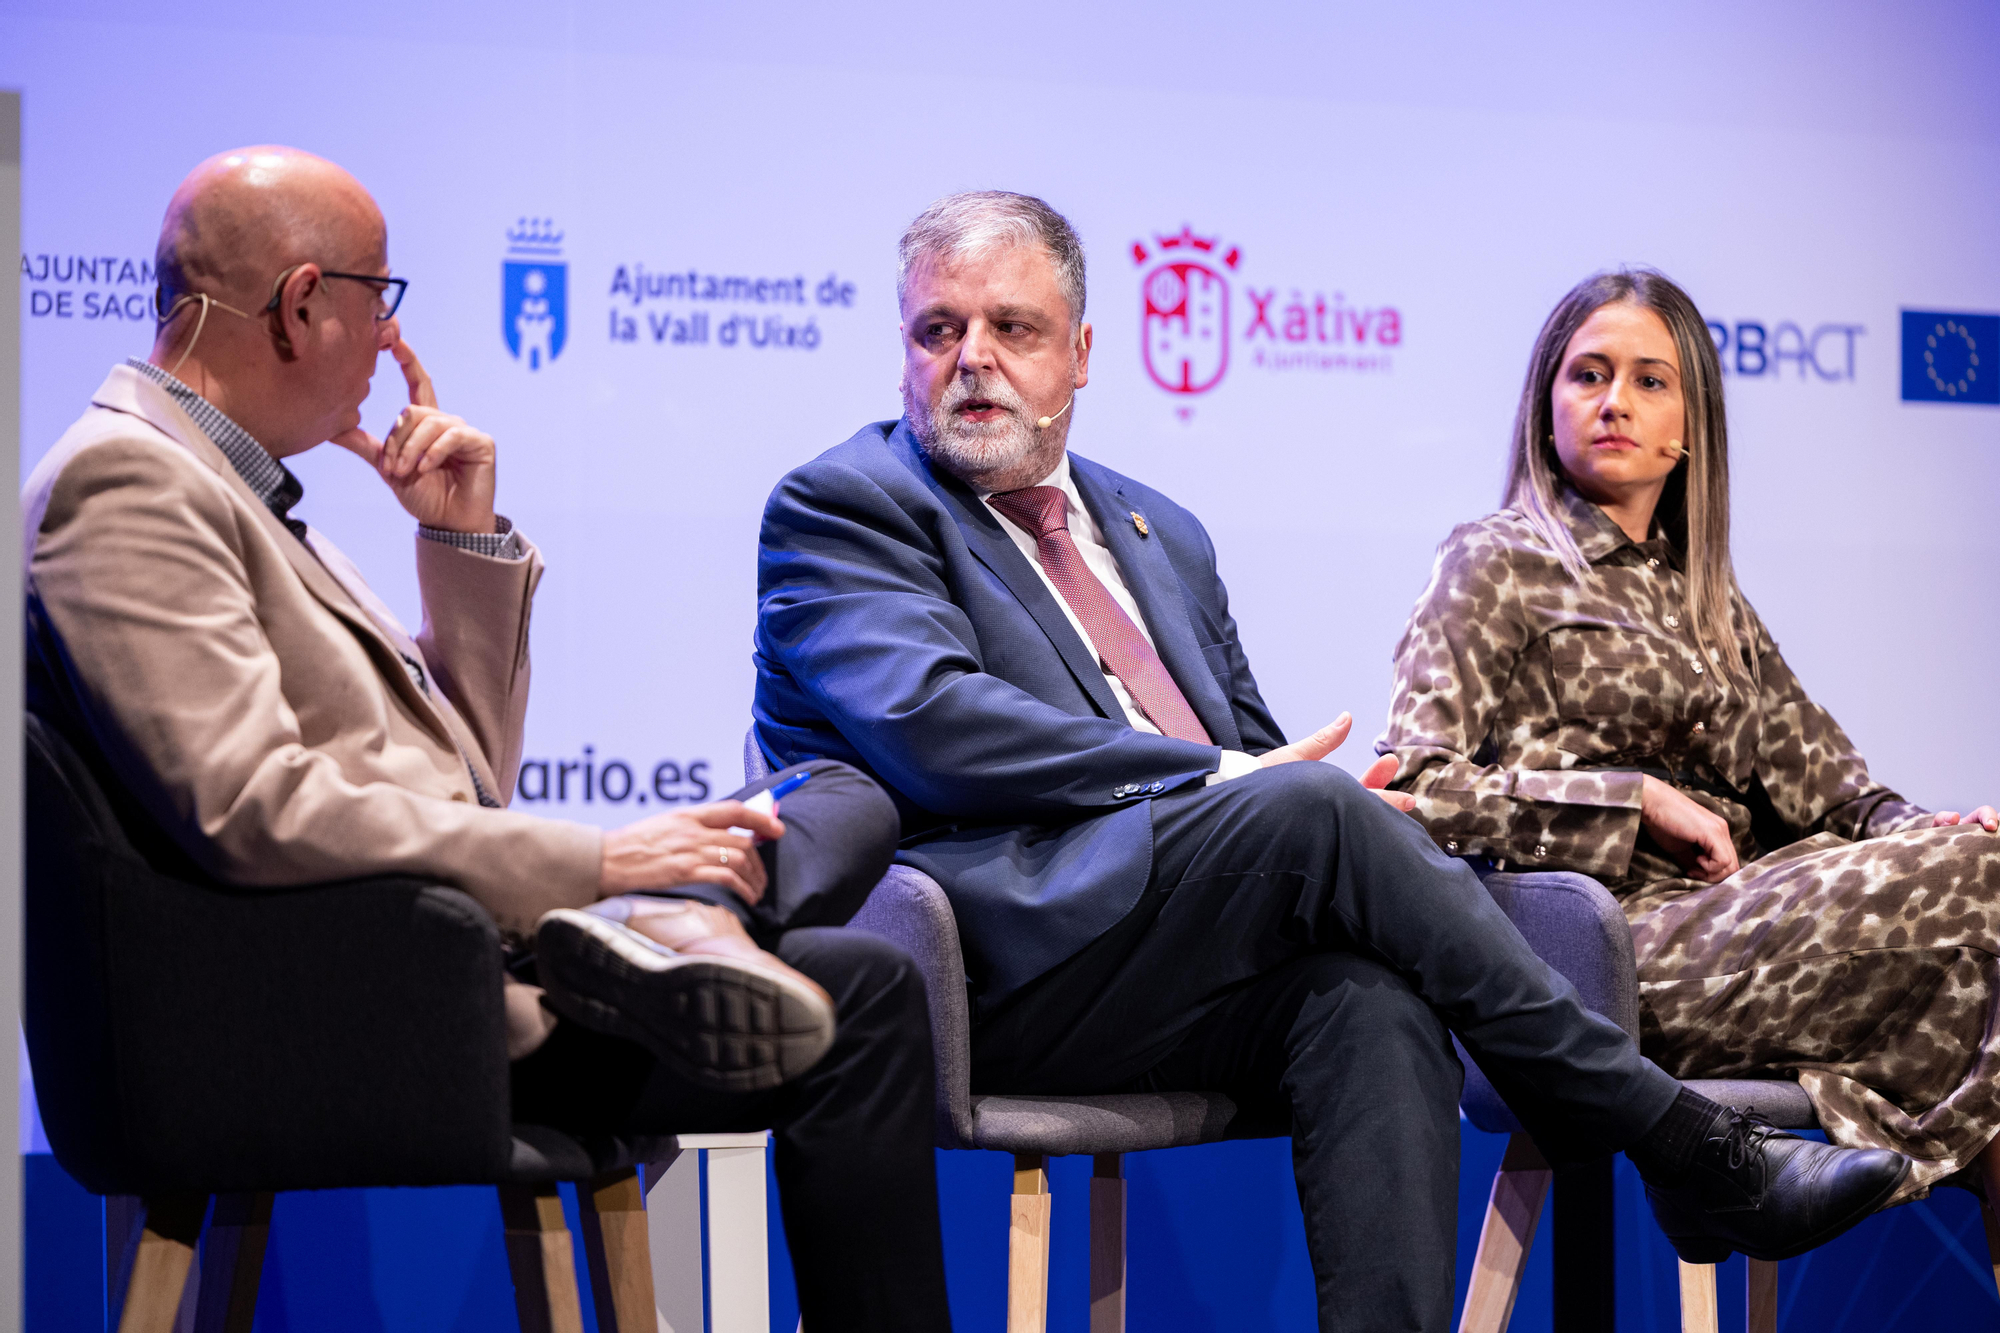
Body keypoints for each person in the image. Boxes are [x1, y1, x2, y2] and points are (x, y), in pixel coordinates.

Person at [752, 191, 1908, 1330]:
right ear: (901, 349)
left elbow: (1250, 748)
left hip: (1173, 944)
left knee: (1369, 998)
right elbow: (936, 725)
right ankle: (1681, 1142)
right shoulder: (845, 505)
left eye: (1011, 326)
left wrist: (1323, 801)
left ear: (1081, 354)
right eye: (937, 329)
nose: (971, 358)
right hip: (1000, 961)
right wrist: (1228, 781)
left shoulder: (1158, 532)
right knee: (1305, 810)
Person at [23, 146, 950, 1330]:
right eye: (380, 298)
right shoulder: (130, 483)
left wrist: (458, 543)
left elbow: (467, 778)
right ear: (302, 305)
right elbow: (254, 808)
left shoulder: (228, 489)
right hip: (340, 1007)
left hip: (420, 962)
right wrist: (600, 861)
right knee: (861, 994)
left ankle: (687, 924)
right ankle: (668, 923)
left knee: (837, 806)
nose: (391, 341)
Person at [1377, 267, 2000, 1210]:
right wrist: (1632, 801)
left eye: (1649, 380)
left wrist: (1935, 831)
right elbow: (1415, 788)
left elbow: (1843, 795)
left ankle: (1728, 1186)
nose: (1615, 402)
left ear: (1691, 427)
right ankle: (1727, 1185)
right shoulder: (1495, 560)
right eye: (1589, 375)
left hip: (1740, 921)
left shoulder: (1710, 602)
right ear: (1546, 406)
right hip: (1603, 954)